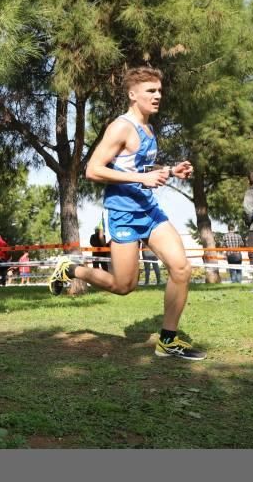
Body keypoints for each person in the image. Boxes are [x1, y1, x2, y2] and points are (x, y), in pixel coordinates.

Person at [49, 66, 206, 361]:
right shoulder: (121, 127)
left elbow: (138, 170)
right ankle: (71, 270)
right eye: (151, 91)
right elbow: (93, 169)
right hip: (123, 214)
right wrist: (142, 180)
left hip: (149, 209)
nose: (158, 96)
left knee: (181, 268)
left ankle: (168, 341)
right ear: (133, 95)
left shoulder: (148, 128)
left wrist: (171, 171)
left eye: (159, 91)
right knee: (123, 286)